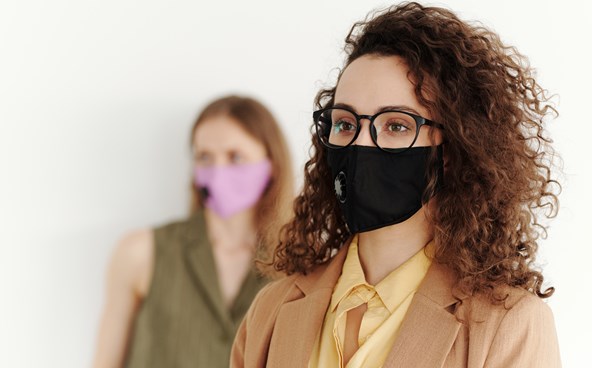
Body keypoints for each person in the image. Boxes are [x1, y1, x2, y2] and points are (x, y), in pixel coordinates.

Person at [231, 3, 561, 368]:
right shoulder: (271, 309)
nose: (361, 145)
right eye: (345, 124)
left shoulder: (508, 323)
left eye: (396, 126)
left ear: (451, 150)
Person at [93, 95, 294, 368]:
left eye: (235, 156)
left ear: (271, 165)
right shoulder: (141, 252)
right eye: (204, 157)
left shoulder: (298, 264)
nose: (218, 171)